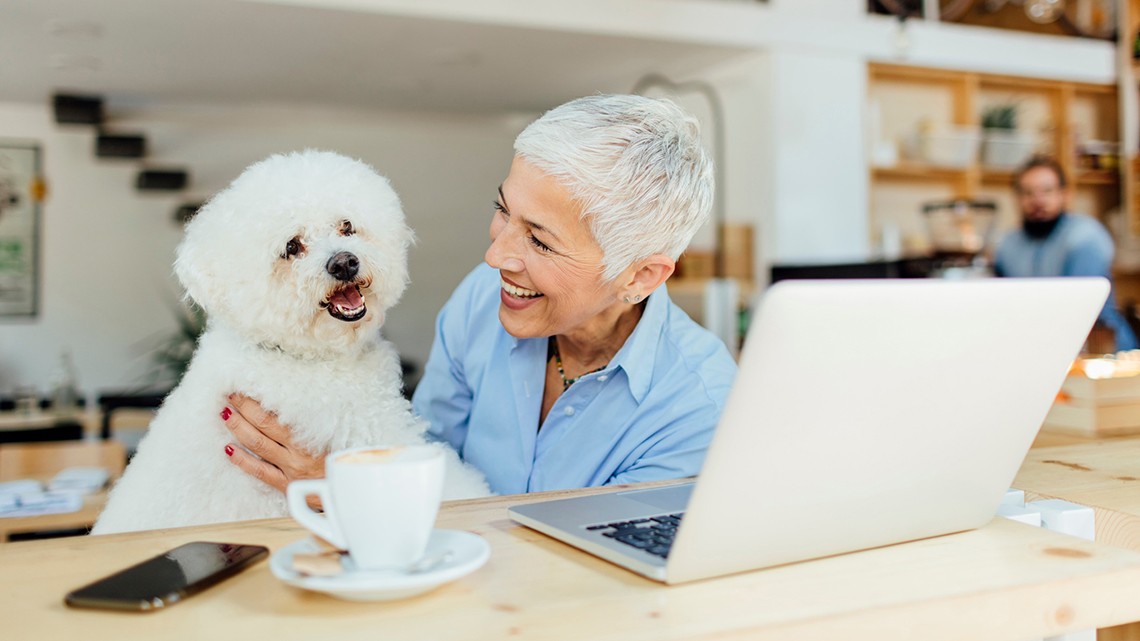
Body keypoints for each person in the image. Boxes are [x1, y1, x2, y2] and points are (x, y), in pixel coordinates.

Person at [220, 94, 738, 495]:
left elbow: (595, 574)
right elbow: (422, 456)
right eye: (503, 211)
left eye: (539, 240)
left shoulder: (699, 408)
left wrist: (352, 489)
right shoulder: (479, 302)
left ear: (641, 276)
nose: (496, 257)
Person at [993, 154, 1138, 352]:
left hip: (1101, 349)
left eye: (1047, 191)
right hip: (1040, 348)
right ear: (1017, 198)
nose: (1037, 200)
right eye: (1028, 193)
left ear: (1064, 194)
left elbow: (1080, 307)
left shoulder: (1085, 237)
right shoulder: (1007, 245)